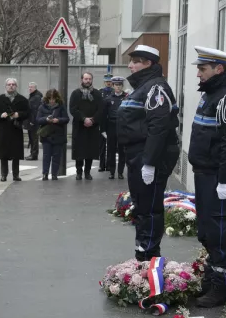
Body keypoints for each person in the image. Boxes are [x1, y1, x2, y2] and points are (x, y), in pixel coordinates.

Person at [188, 46, 226, 308]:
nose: (199, 74)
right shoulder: (211, 95)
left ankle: (221, 288)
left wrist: (225, 179)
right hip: (204, 174)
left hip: (216, 177)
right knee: (206, 230)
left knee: (219, 230)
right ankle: (212, 279)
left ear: (218, 69)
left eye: (202, 69)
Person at [116, 45, 180, 262]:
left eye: (135, 61)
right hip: (138, 154)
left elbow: (158, 127)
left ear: (148, 64)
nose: (130, 65)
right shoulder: (144, 86)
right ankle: (143, 252)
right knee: (142, 206)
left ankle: (149, 256)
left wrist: (150, 162)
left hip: (148, 155)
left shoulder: (155, 88)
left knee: (150, 207)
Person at [0, 78, 30, 181]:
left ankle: (16, 175)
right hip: (4, 129)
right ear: (6, 86)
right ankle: (4, 174)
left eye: (13, 84)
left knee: (16, 153)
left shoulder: (22, 99)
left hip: (16, 129)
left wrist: (19, 114)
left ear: (16, 86)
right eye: (9, 84)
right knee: (4, 153)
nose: (11, 86)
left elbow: (28, 113)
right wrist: (0, 115)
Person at [69, 72, 104, 180]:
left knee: (90, 150)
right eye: (85, 79)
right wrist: (84, 119)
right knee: (79, 150)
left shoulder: (97, 94)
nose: (87, 81)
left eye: (89, 79)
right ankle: (79, 172)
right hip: (80, 126)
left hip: (92, 127)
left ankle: (87, 172)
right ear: (82, 80)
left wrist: (92, 120)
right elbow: (73, 109)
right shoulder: (76, 93)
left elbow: (101, 109)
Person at [36, 89, 69, 180]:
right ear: (47, 98)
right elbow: (38, 120)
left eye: (53, 99)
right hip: (46, 135)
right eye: (50, 99)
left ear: (56, 98)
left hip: (58, 134)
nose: (52, 101)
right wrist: (46, 119)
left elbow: (66, 119)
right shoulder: (42, 107)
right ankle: (45, 174)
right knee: (46, 155)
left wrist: (58, 120)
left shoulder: (61, 106)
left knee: (56, 155)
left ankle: (54, 174)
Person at [103, 76, 128, 180]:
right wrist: (103, 129)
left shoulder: (127, 98)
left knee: (122, 150)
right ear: (113, 86)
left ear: (122, 86)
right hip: (111, 126)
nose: (118, 87)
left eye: (120, 85)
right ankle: (112, 171)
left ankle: (121, 172)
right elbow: (104, 115)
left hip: (122, 126)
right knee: (111, 150)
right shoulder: (108, 99)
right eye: (116, 85)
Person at [25, 82, 43, 161]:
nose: (30, 88)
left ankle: (34, 155)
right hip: (31, 120)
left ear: (35, 88)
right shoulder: (33, 95)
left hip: (34, 122)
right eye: (29, 87)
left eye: (31, 87)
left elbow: (35, 110)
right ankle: (32, 153)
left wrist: (32, 121)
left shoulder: (36, 97)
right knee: (31, 138)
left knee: (34, 138)